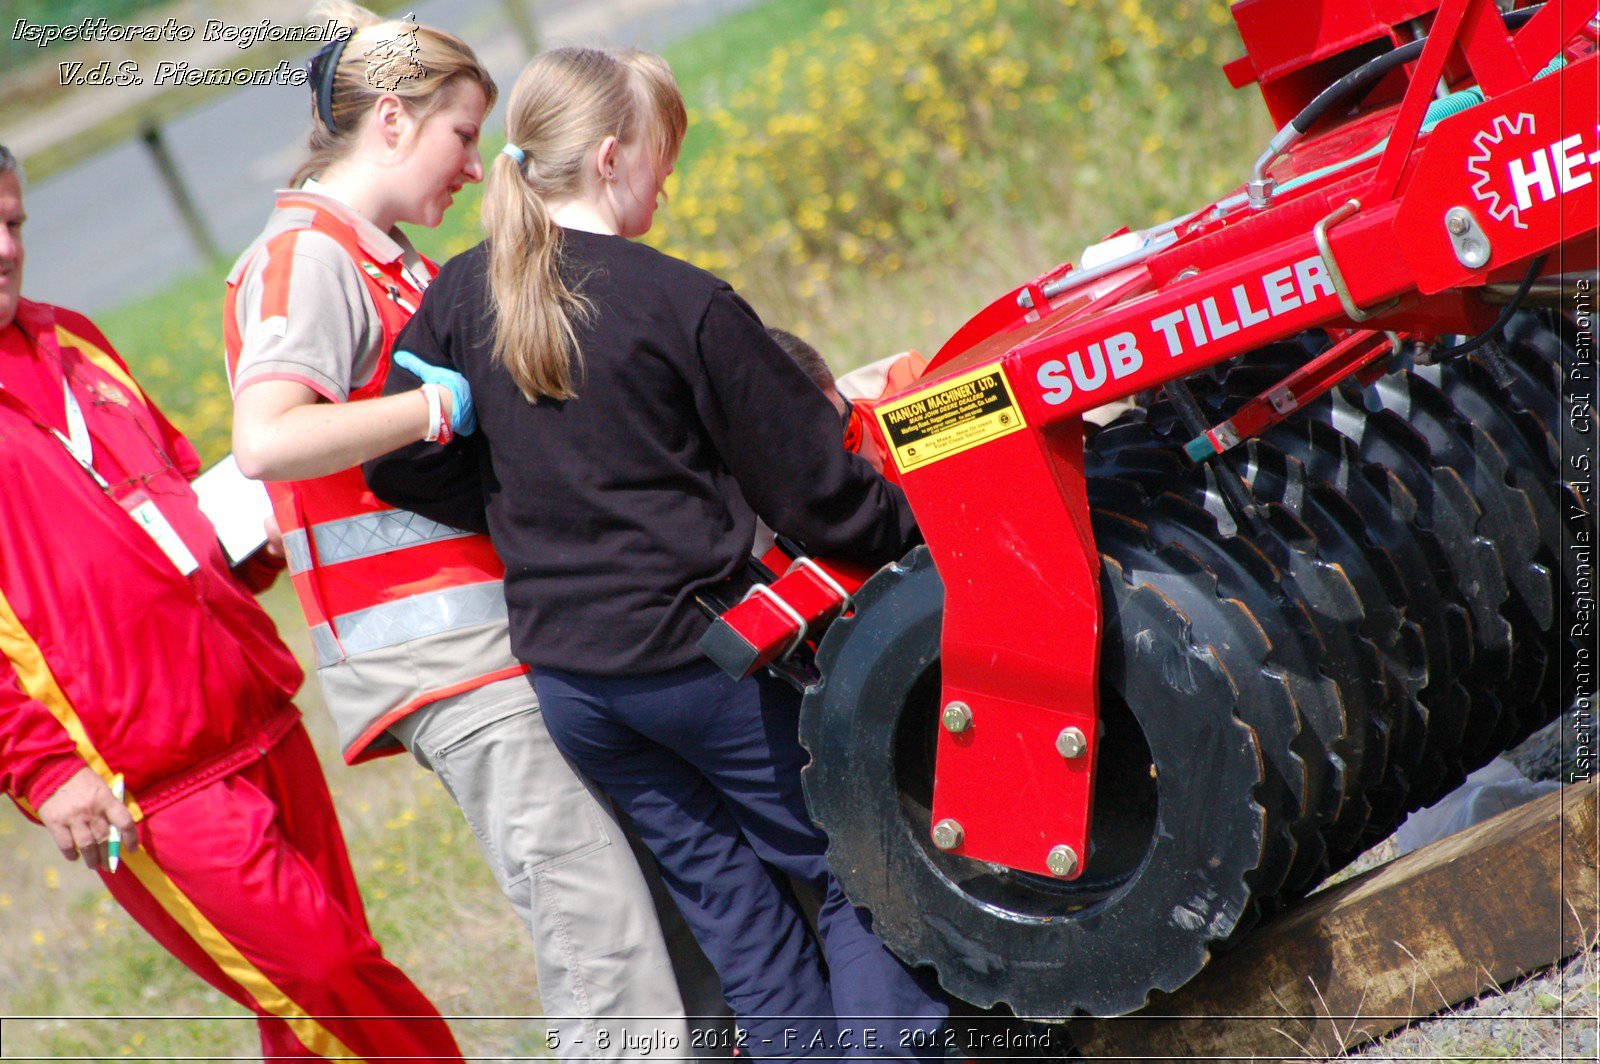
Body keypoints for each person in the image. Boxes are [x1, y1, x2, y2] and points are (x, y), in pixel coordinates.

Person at [364, 47, 949, 1058]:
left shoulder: (462, 292)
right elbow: (817, 495)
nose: (666, 183)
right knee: (861, 868)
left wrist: (516, 497)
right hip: (701, 662)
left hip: (576, 685)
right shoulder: (684, 303)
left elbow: (394, 463)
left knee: (738, 915)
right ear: (607, 158)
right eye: (660, 158)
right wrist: (930, 521)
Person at [222, 6, 716, 1056]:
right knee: (599, 930)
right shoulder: (302, 261)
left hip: (504, 642)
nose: (475, 167)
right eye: (460, 134)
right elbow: (266, 439)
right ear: (390, 121)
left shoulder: (385, 256)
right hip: (441, 658)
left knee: (651, 903)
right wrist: (432, 411)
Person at [0, 144, 463, 1060]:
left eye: (11, 223)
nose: (4, 248)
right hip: (148, 782)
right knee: (334, 986)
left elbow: (167, 481)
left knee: (310, 1012)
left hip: (257, 714)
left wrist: (241, 546)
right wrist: (41, 767)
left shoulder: (72, 337)